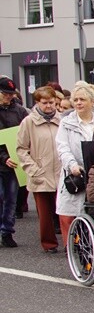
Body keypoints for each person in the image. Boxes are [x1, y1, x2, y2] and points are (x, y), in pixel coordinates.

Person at [55, 84, 94, 246]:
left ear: (92, 101)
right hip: (77, 174)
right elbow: (63, 148)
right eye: (75, 100)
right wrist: (72, 165)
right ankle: (74, 248)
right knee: (72, 213)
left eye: (82, 99)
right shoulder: (66, 123)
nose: (78, 103)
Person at [16, 86, 62, 252]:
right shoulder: (28, 122)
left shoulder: (62, 120)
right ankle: (49, 243)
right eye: (44, 103)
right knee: (44, 214)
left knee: (64, 212)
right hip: (40, 173)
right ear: (37, 103)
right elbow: (21, 149)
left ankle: (71, 242)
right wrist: (33, 170)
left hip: (60, 172)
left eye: (51, 102)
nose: (49, 106)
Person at [1, 76, 30, 248]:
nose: (9, 96)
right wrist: (4, 158)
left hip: (14, 162)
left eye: (11, 94)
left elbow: (28, 133)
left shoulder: (20, 111)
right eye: (5, 93)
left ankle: (7, 232)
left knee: (11, 199)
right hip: (3, 160)